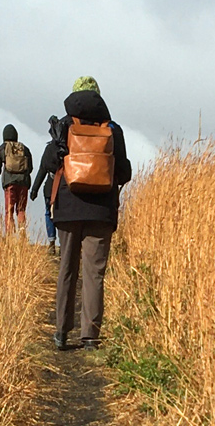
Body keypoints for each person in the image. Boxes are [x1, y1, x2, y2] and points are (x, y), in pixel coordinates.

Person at [42, 76, 132, 350]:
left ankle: (61, 332)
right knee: (94, 274)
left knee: (67, 270)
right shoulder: (112, 128)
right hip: (101, 210)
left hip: (68, 207)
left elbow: (48, 163)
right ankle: (90, 336)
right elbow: (124, 172)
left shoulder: (65, 125)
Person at [0, 124, 32, 236]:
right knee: (21, 210)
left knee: (9, 211)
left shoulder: (3, 148)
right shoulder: (24, 149)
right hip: (23, 183)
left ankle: (10, 238)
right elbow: (30, 167)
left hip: (9, 183)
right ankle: (22, 237)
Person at [30, 117, 60, 255]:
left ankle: (52, 243)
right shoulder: (67, 147)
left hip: (49, 187)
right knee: (62, 216)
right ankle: (64, 244)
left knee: (49, 213)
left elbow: (42, 169)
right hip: (64, 187)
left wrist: (34, 189)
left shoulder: (49, 149)